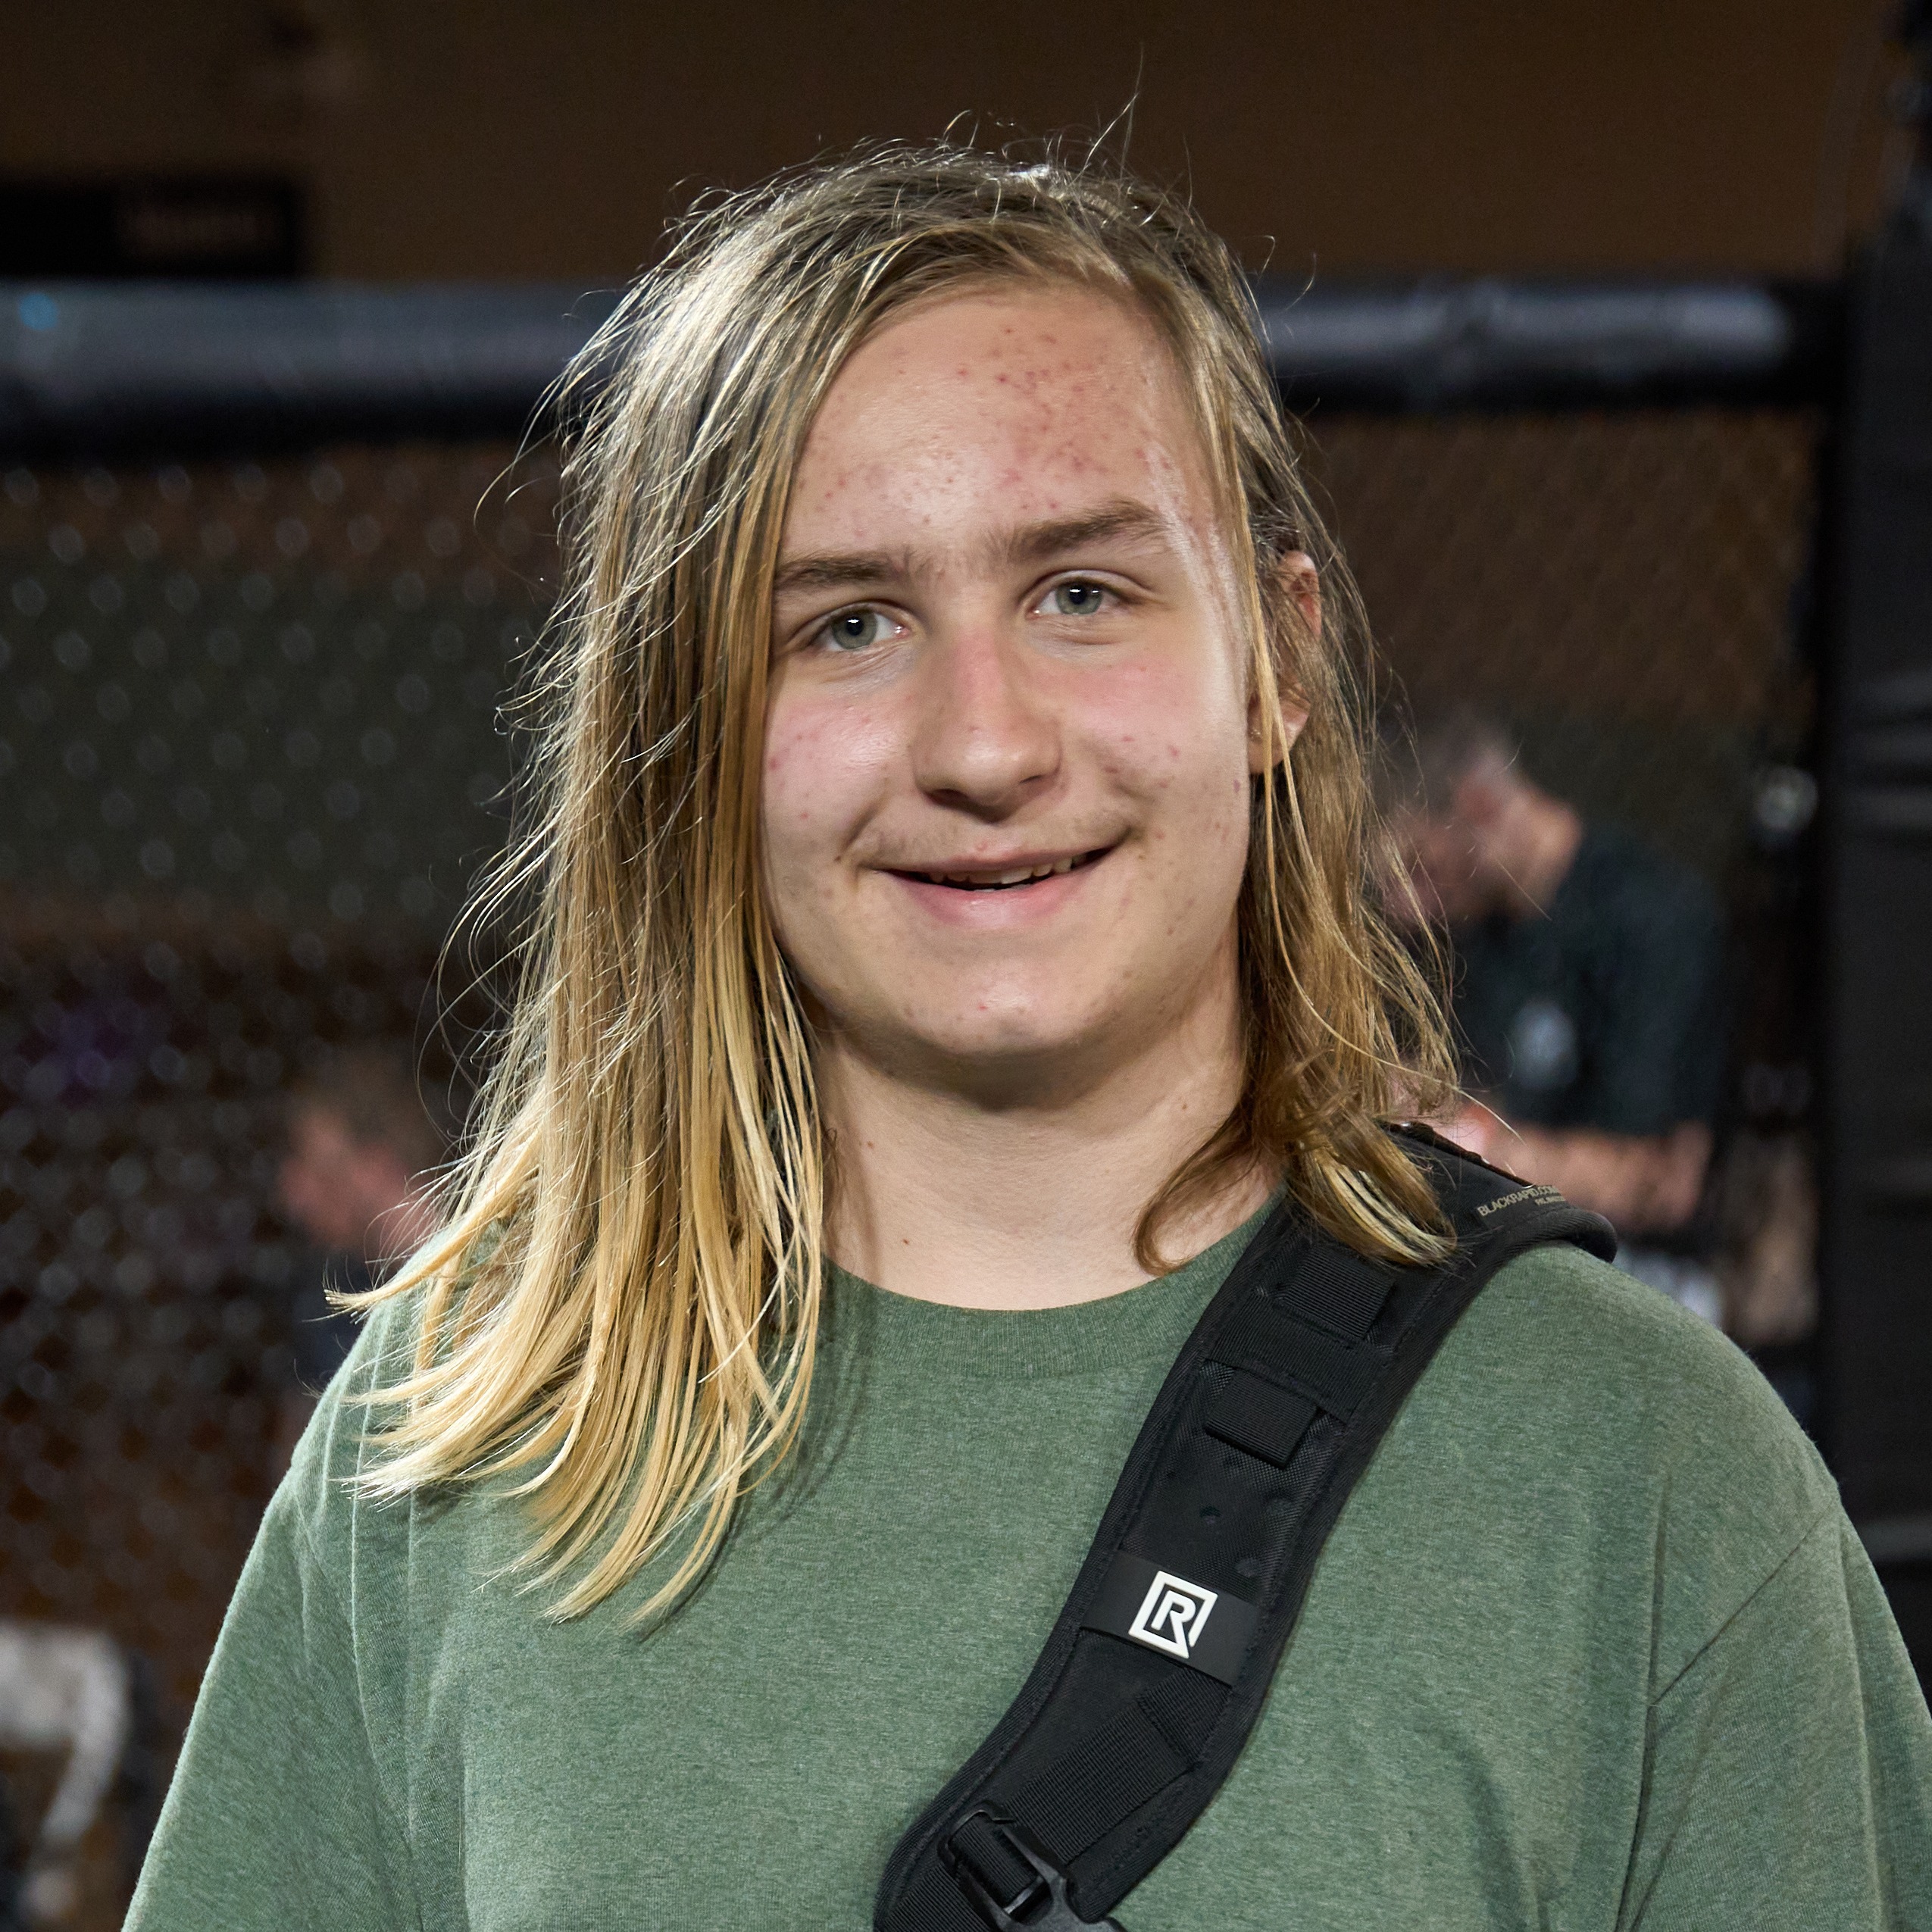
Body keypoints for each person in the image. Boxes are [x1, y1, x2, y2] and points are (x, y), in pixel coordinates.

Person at [129, 144, 1930, 1930]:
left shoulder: (1645, 1477)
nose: (983, 746)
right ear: (688, 732)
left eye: (1081, 594)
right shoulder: (459, 1437)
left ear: (1277, 662)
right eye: (846, 624)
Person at [1386, 711, 1726, 1292]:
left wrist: (1464, 1142)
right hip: (1506, 1254)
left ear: (1479, 807)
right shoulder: (1479, 941)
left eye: (1422, 869)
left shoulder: (1650, 917)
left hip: (1645, 1280)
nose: (1408, 908)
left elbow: (1661, 1183)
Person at [270, 1046, 445, 1462]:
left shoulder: (487, 1276)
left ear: (376, 1161)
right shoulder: (330, 1295)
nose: (292, 1194)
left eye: (312, 1164)